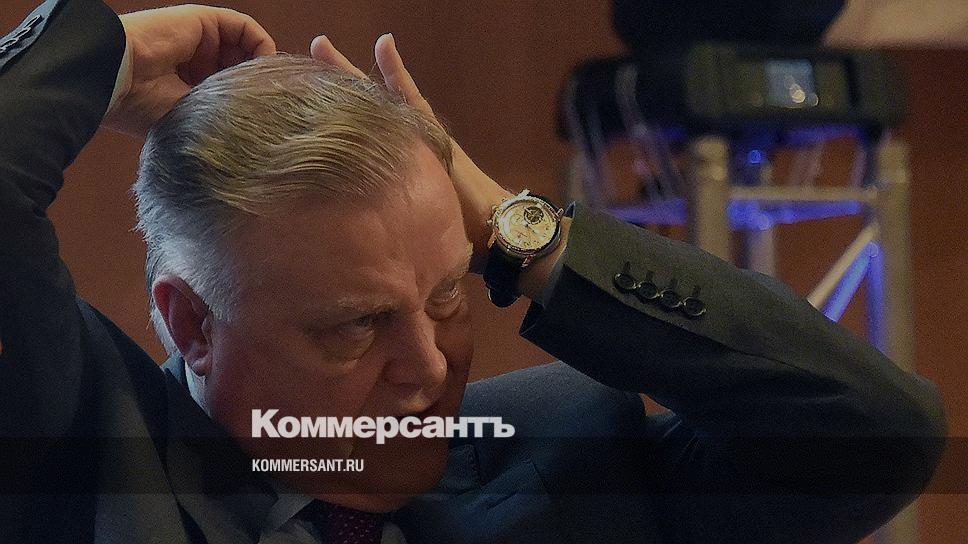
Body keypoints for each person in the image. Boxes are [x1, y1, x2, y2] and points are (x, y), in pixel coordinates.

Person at [0, 0, 946, 543]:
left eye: (449, 294)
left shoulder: (564, 456)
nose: (428, 369)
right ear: (194, 324)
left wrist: (511, 227)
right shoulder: (84, 453)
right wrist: (102, 49)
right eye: (356, 323)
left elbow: (877, 435)